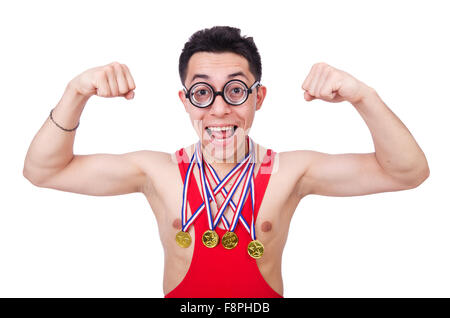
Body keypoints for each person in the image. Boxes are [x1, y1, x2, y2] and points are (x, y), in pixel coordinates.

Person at [23, 26, 430, 298]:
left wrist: (364, 96)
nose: (218, 110)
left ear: (258, 98)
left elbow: (407, 172)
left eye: (235, 91)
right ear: (185, 102)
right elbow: (43, 171)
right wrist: (75, 91)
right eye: (202, 93)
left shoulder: (291, 172)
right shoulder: (156, 172)